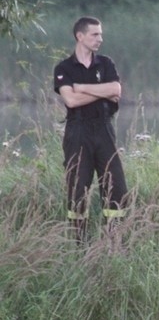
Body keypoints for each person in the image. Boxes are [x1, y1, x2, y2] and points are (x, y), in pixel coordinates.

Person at [54, 16, 128, 244]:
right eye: (95, 34)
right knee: (77, 190)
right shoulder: (64, 68)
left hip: (104, 129)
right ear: (80, 36)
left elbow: (116, 89)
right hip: (78, 131)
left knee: (117, 188)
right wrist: (102, 91)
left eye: (101, 34)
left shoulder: (105, 64)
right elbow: (72, 101)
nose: (100, 39)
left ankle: (112, 243)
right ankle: (80, 246)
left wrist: (84, 87)